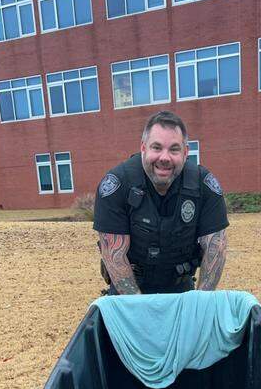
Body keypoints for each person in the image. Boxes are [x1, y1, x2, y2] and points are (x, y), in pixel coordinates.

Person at [93, 111, 229, 295]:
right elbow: (114, 256)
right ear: (143, 148)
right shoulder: (117, 185)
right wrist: (138, 307)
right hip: (128, 293)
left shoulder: (203, 186)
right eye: (156, 148)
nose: (164, 158)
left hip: (180, 289)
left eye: (174, 149)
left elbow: (216, 249)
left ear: (185, 152)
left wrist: (199, 305)